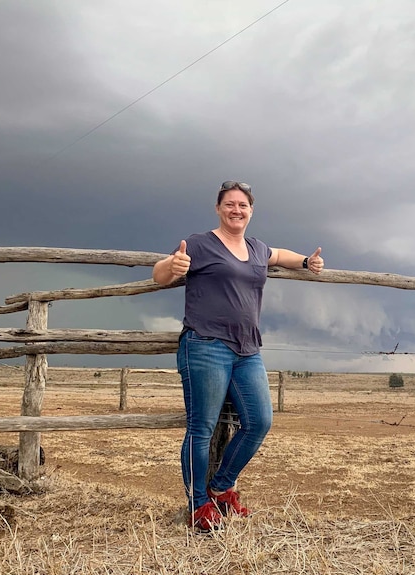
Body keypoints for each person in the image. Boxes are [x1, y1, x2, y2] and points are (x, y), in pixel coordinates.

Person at [152, 180, 324, 531]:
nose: (236, 210)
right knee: (201, 429)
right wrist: (174, 267)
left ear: (251, 211)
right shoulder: (199, 244)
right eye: (229, 204)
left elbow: (279, 255)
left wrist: (306, 261)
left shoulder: (257, 248)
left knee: (259, 421)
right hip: (205, 346)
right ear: (218, 209)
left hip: (248, 350)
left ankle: (220, 487)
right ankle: (198, 505)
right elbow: (159, 273)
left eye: (242, 205)